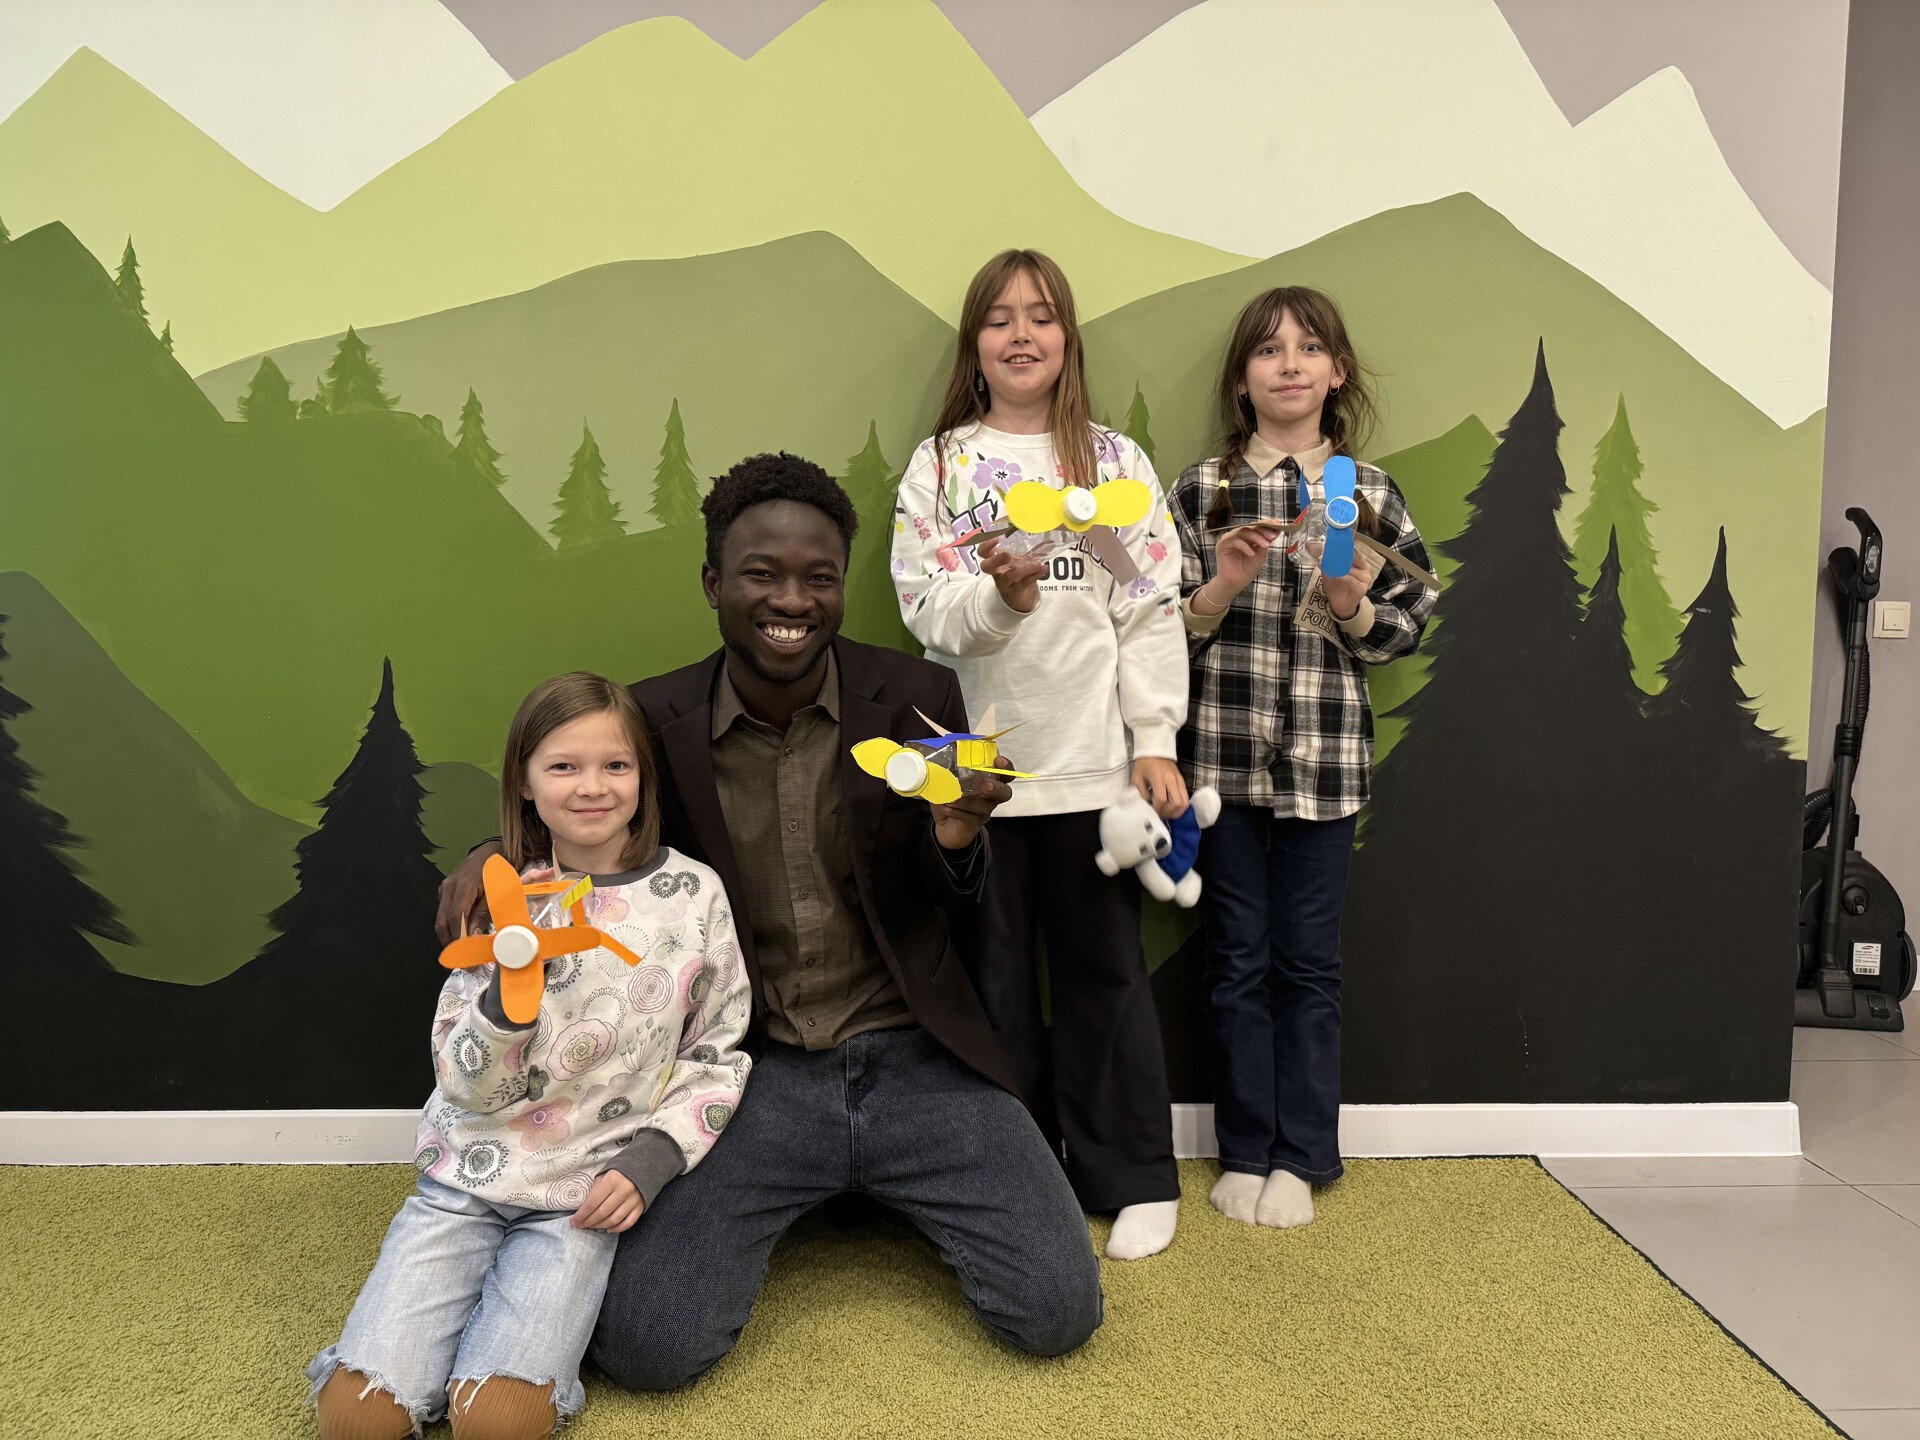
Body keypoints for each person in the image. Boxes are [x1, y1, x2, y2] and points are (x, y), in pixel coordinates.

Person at [437, 453, 1102, 1389]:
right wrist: (495, 853)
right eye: (761, 573)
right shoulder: (655, 721)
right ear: (714, 584)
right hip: (751, 1074)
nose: (792, 599)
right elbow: (588, 812)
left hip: (917, 1058)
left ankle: (872, 1185)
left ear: (840, 587)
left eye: (818, 577)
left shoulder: (917, 699)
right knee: (648, 1349)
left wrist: (956, 838)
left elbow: (956, 903)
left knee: (1059, 1313)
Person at [312, 672, 750, 1440]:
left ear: (643, 776)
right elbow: (464, 1084)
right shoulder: (498, 896)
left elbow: (717, 1052)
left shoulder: (694, 895)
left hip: (579, 1198)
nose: (592, 787)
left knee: (499, 1423)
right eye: (563, 766)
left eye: (616, 765)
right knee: (357, 1418)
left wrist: (651, 1159)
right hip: (464, 1180)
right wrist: (504, 1011)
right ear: (524, 780)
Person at [891, 249, 1189, 1261]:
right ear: (974, 345)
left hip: (1094, 770)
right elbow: (927, 610)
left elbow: (1147, 609)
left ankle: (1134, 1175)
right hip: (979, 782)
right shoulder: (943, 466)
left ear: (1067, 340)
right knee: (996, 989)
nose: (1022, 334)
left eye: (1043, 315)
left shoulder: (1113, 464)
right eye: (1000, 318)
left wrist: (1154, 740)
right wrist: (1001, 598)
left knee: (1107, 977)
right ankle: (1020, 1182)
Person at [1169, 286, 1436, 1231]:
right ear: (1241, 380)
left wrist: (1352, 603)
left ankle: (1305, 1154)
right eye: (1268, 350)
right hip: (1221, 764)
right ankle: (1246, 1148)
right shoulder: (1200, 491)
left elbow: (1409, 623)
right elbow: (1157, 633)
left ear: (1338, 372)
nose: (1289, 363)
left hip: (1327, 765)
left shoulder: (1370, 494)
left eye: (1309, 347)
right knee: (1235, 960)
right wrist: (1220, 587)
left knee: (1309, 965)